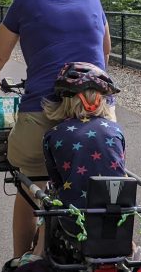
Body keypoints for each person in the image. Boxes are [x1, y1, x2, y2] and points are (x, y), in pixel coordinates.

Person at [0, 0, 111, 259]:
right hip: (98, 109)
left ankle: (23, 267)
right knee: (98, 184)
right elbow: (105, 52)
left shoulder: (25, 0)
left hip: (41, 110)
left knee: (29, 188)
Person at [42, 62, 126, 211]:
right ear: (100, 100)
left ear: (65, 100)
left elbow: (56, 180)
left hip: (74, 218)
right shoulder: (115, 130)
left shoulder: (53, 134)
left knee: (47, 206)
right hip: (117, 217)